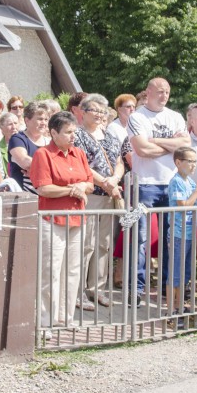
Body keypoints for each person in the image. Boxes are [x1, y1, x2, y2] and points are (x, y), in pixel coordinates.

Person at [30, 111, 94, 328]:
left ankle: (66, 319)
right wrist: (72, 190)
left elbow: (89, 183)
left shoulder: (79, 154)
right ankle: (46, 321)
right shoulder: (43, 155)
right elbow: (43, 188)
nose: (72, 136)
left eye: (74, 132)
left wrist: (80, 187)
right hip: (52, 219)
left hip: (77, 218)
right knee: (51, 272)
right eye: (68, 132)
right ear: (53, 133)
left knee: (73, 271)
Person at [128, 78, 189, 302]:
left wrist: (155, 140)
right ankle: (136, 287)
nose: (164, 96)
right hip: (144, 184)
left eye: (167, 92)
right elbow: (142, 149)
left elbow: (185, 146)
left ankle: (166, 285)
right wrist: (170, 146)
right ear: (149, 92)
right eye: (160, 92)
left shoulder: (176, 116)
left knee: (170, 238)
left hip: (172, 184)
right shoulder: (137, 117)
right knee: (139, 237)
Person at [72, 94, 124, 310]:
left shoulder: (109, 136)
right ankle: (78, 292)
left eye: (103, 111)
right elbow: (82, 164)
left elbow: (119, 161)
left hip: (109, 196)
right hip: (92, 195)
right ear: (83, 112)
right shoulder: (78, 135)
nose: (100, 115)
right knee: (85, 245)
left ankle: (98, 289)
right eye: (96, 110)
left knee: (104, 244)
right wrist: (105, 182)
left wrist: (115, 180)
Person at [167, 146, 197, 322]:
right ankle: (171, 310)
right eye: (190, 161)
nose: (193, 165)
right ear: (178, 162)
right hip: (178, 234)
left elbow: (196, 201)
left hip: (189, 233)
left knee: (185, 272)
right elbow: (183, 204)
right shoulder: (176, 181)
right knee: (175, 272)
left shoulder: (190, 182)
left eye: (195, 162)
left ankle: (180, 306)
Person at [9, 101, 51, 194]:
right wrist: (53, 168)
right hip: (23, 196)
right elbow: (26, 162)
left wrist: (37, 170)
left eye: (46, 119)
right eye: (40, 119)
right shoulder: (18, 139)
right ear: (27, 120)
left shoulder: (50, 142)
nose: (43, 123)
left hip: (47, 195)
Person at [0, 111, 19, 178]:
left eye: (15, 123)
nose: (14, 127)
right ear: (1, 127)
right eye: (10, 124)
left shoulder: (25, 143)